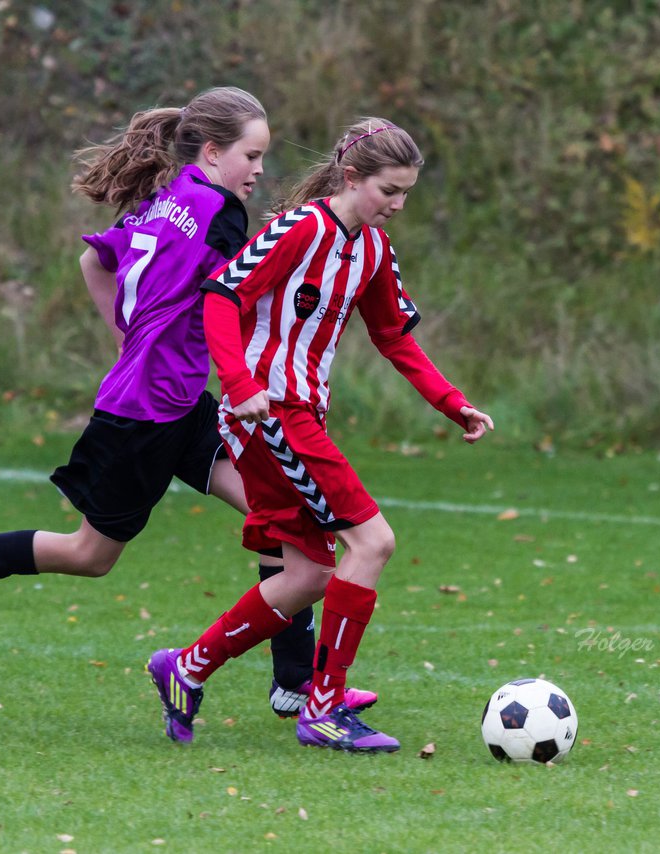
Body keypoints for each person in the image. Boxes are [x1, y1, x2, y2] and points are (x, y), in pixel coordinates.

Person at [0, 87, 375, 718]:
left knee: (283, 516)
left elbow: (93, 262)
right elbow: (242, 289)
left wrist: (133, 344)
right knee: (88, 555)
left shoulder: (169, 200)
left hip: (174, 399)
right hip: (146, 415)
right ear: (213, 152)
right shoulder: (219, 213)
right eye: (252, 155)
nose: (260, 170)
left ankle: (295, 680)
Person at [147, 118, 494, 752]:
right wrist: (240, 382)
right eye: (389, 190)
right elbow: (221, 296)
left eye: (407, 193)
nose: (398, 205)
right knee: (373, 542)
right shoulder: (300, 228)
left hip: (300, 415)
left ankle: (186, 667)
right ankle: (324, 706)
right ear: (352, 177)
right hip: (271, 413)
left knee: (306, 575)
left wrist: (454, 404)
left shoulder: (373, 250)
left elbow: (394, 338)